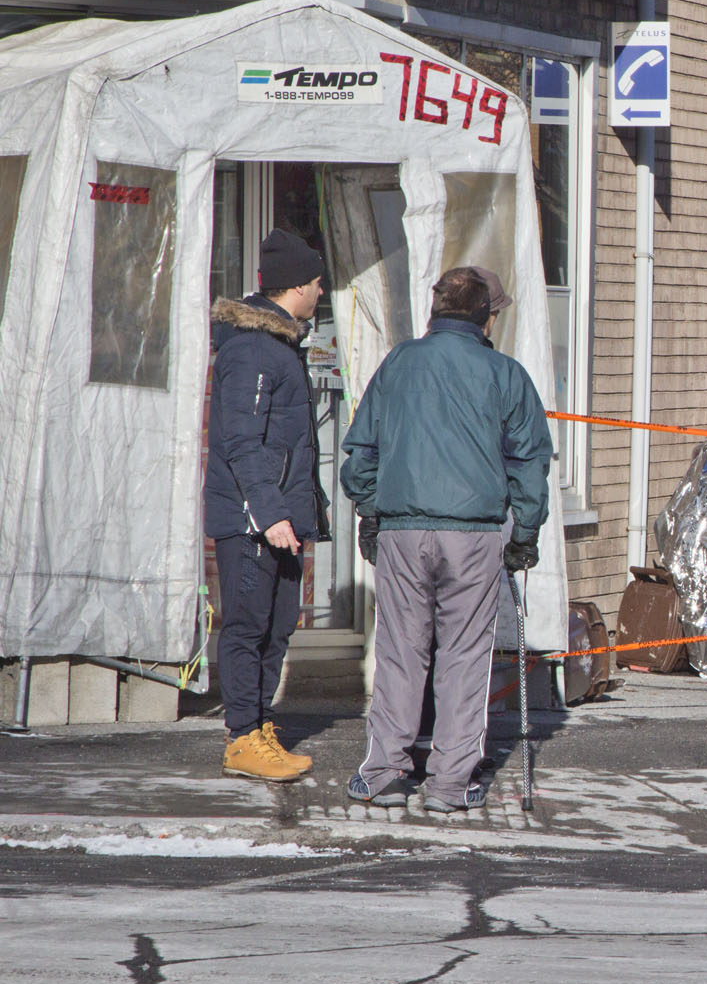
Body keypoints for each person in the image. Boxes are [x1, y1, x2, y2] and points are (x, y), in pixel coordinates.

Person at [340, 266, 552, 811]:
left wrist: (369, 510)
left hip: (404, 533)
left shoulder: (399, 363)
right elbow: (529, 461)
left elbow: (361, 451)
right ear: (486, 316)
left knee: (400, 652)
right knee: (463, 656)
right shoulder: (504, 373)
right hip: (473, 536)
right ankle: (450, 785)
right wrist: (524, 533)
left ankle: (385, 773)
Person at [204, 229, 329, 781]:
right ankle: (241, 737)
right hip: (254, 521)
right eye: (318, 283)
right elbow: (239, 440)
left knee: (277, 627)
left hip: (280, 517)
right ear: (297, 287)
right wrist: (271, 512)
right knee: (248, 628)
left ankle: (258, 727)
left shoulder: (279, 346)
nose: (322, 293)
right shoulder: (252, 348)